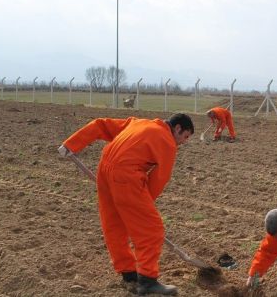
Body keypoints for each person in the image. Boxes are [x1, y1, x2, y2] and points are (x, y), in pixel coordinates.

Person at [57, 113, 194, 295]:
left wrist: (71, 143)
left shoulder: (138, 123)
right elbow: (159, 179)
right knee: (152, 229)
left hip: (105, 169)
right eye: (185, 137)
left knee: (115, 225)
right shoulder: (167, 142)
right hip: (126, 176)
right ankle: (147, 280)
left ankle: (128, 274)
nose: (183, 142)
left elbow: (100, 125)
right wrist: (140, 206)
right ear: (177, 128)